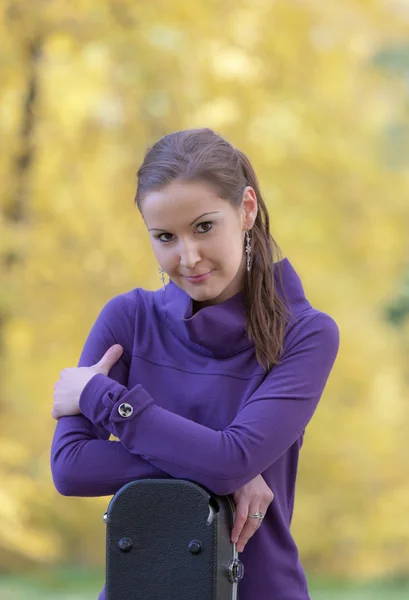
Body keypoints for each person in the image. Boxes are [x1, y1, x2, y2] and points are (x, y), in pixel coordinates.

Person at [50, 128, 340, 600]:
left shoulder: (306, 334)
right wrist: (219, 466)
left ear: (246, 210)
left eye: (204, 227)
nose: (187, 257)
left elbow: (230, 462)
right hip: (140, 587)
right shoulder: (127, 319)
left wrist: (102, 398)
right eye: (165, 236)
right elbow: (71, 468)